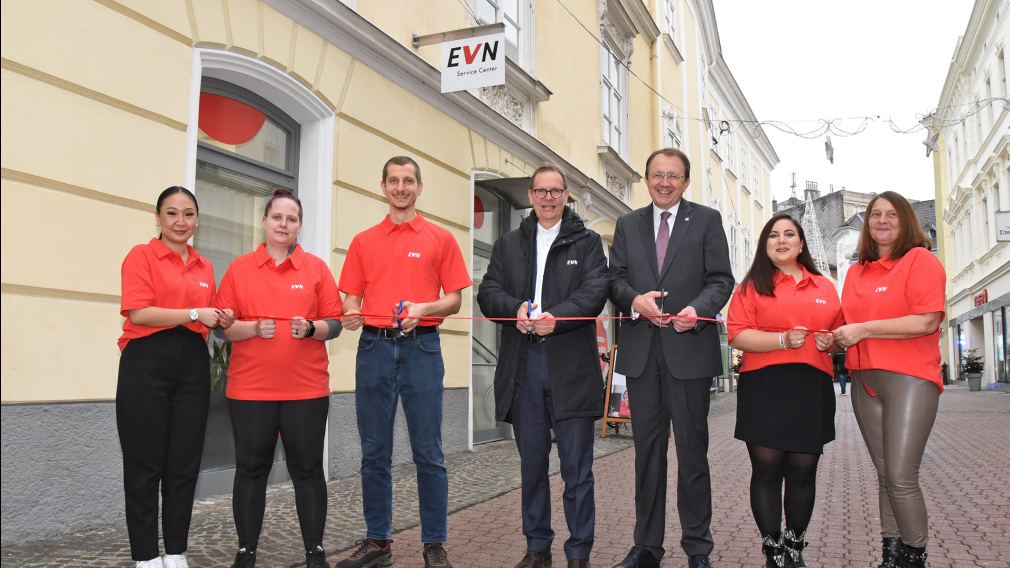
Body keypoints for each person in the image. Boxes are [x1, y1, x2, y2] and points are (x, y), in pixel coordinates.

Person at [336, 156, 472, 568]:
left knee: (428, 451)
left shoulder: (440, 238)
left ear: (419, 186)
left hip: (422, 348)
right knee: (374, 452)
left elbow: (455, 299)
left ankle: (434, 543)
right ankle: (378, 543)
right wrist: (351, 311)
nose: (400, 187)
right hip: (374, 348)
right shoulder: (363, 241)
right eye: (393, 181)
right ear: (383, 186)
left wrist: (424, 307)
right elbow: (350, 297)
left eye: (408, 180)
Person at [477, 163, 610, 568]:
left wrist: (558, 318)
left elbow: (595, 292)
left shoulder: (586, 243)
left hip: (571, 365)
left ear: (566, 195)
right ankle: (538, 548)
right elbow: (488, 293)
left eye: (555, 191)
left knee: (577, 471)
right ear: (531, 196)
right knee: (532, 467)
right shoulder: (508, 244)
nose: (548, 198)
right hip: (524, 366)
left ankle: (578, 552)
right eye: (540, 191)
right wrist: (513, 308)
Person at [609, 148, 734, 568]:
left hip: (690, 353)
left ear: (686, 181)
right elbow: (616, 279)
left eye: (674, 176)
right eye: (657, 175)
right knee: (647, 454)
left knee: (693, 454)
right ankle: (647, 546)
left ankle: (698, 547)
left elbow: (721, 279)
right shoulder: (627, 225)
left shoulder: (707, 220)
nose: (665, 182)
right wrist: (634, 300)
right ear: (646, 179)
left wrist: (697, 311)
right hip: (643, 354)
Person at [216, 189, 343, 568]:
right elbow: (223, 329)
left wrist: (312, 328)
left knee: (307, 470)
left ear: (299, 225)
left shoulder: (316, 269)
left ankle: (314, 551)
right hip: (250, 390)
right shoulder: (240, 269)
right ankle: (246, 550)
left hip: (306, 391)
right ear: (265, 221)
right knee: (250, 470)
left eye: (291, 219)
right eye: (277, 217)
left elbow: (334, 324)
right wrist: (252, 327)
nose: (283, 224)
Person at [117, 186, 235, 568]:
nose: (180, 222)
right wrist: (193, 314)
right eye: (171, 213)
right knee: (144, 462)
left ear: (197, 220)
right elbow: (138, 313)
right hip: (146, 363)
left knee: (184, 463)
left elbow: (209, 315)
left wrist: (221, 318)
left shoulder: (204, 266)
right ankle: (146, 556)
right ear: (158, 218)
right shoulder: (141, 256)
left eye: (188, 214)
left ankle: (175, 552)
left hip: (191, 365)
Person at [832, 191, 945, 568]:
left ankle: (915, 556)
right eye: (875, 214)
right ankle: (891, 555)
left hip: (910, 378)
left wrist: (863, 329)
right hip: (865, 379)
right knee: (884, 475)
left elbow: (926, 320)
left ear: (906, 220)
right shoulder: (856, 271)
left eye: (891, 214)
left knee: (900, 475)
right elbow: (845, 323)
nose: (882, 220)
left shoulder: (920, 261)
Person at [726, 213, 842, 567]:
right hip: (763, 384)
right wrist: (780, 339)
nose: (781, 240)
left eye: (789, 234)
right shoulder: (750, 286)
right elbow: (737, 334)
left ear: (801, 243)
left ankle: (794, 545)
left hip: (811, 385)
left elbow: (840, 336)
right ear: (765, 245)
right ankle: (772, 549)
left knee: (804, 470)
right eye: (773, 235)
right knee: (766, 470)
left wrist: (832, 342)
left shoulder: (824, 286)